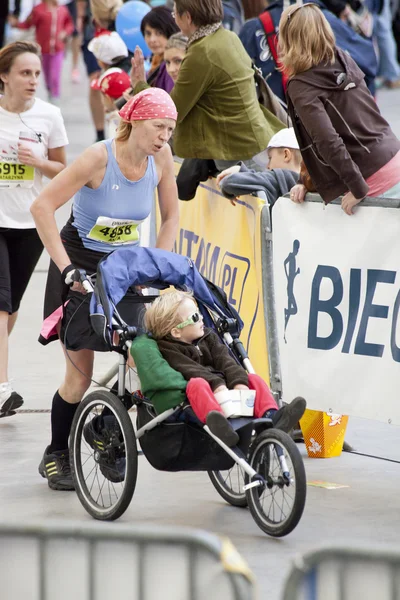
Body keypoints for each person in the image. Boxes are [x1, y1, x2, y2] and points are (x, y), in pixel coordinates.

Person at [30, 88, 179, 491]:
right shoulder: (98, 158)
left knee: (141, 360)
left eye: (170, 129)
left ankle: (103, 429)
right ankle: (56, 454)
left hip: (125, 269)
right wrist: (66, 271)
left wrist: (154, 266)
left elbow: (171, 218)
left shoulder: (161, 159)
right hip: (79, 265)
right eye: (158, 127)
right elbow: (42, 207)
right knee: (80, 378)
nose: (164, 137)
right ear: (134, 122)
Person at [130, 0, 284, 201]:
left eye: (176, 13)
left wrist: (140, 84)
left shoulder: (202, 51)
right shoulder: (227, 37)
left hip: (238, 152)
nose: (174, 18)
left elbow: (171, 110)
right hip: (255, 142)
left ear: (188, 17)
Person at [139, 291, 306, 446]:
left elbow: (226, 360)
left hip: (228, 391)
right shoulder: (168, 348)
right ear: (176, 332)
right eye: (195, 317)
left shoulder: (208, 336)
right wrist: (217, 384)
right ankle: (220, 426)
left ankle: (273, 416)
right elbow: (189, 369)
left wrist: (239, 382)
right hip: (203, 396)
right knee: (197, 383)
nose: (201, 319)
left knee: (253, 379)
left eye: (199, 312)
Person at [278, 3, 400, 215]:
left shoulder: (300, 84)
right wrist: (304, 182)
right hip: (393, 157)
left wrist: (358, 187)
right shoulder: (342, 57)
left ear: (288, 39)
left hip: (370, 178)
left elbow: (327, 141)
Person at [0, 41, 68, 417]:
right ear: (4, 76)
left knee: (10, 312)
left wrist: (40, 162)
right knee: (0, 304)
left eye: (37, 73)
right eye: (25, 73)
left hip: (29, 224)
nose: (33, 80)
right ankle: (2, 388)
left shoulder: (49, 115)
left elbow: (64, 169)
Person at [239, 0, 378, 102]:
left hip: (274, 129)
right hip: (327, 123)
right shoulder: (323, 19)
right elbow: (368, 62)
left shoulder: (251, 29)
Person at [10, 0, 74, 104]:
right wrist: (16, 24)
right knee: (47, 74)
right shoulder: (38, 9)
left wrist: (65, 32)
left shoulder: (62, 9)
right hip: (43, 49)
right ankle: (50, 91)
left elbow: (69, 24)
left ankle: (55, 97)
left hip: (58, 49)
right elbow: (28, 24)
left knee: (55, 74)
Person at [217, 128, 301, 206]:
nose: (268, 166)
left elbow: (228, 183)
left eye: (270, 158)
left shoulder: (278, 179)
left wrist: (240, 170)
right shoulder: (310, 182)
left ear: (286, 155)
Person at [140, 6, 179, 92]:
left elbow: (170, 103)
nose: (152, 40)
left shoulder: (173, 65)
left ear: (171, 31)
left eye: (159, 33)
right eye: (148, 33)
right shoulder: (155, 62)